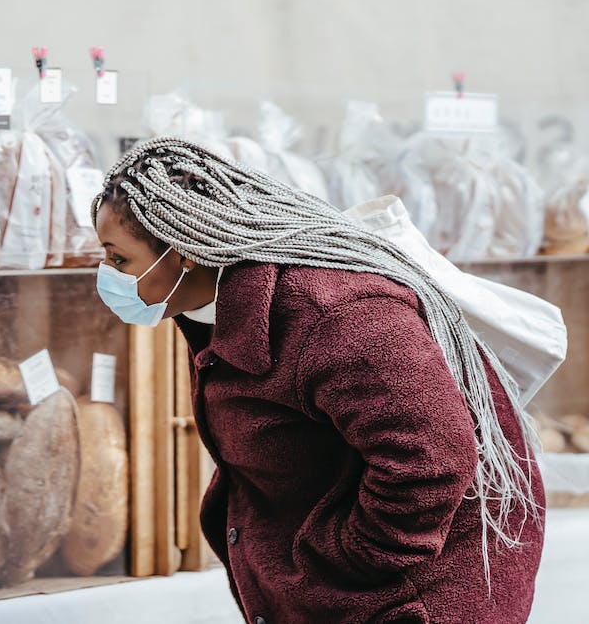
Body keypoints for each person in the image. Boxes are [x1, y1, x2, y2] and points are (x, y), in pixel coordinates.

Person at [92, 137, 544, 623]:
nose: (106, 275)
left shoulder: (339, 316)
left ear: (183, 252)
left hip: (413, 602)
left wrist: (338, 558)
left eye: (118, 259)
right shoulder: (215, 309)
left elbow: (432, 460)